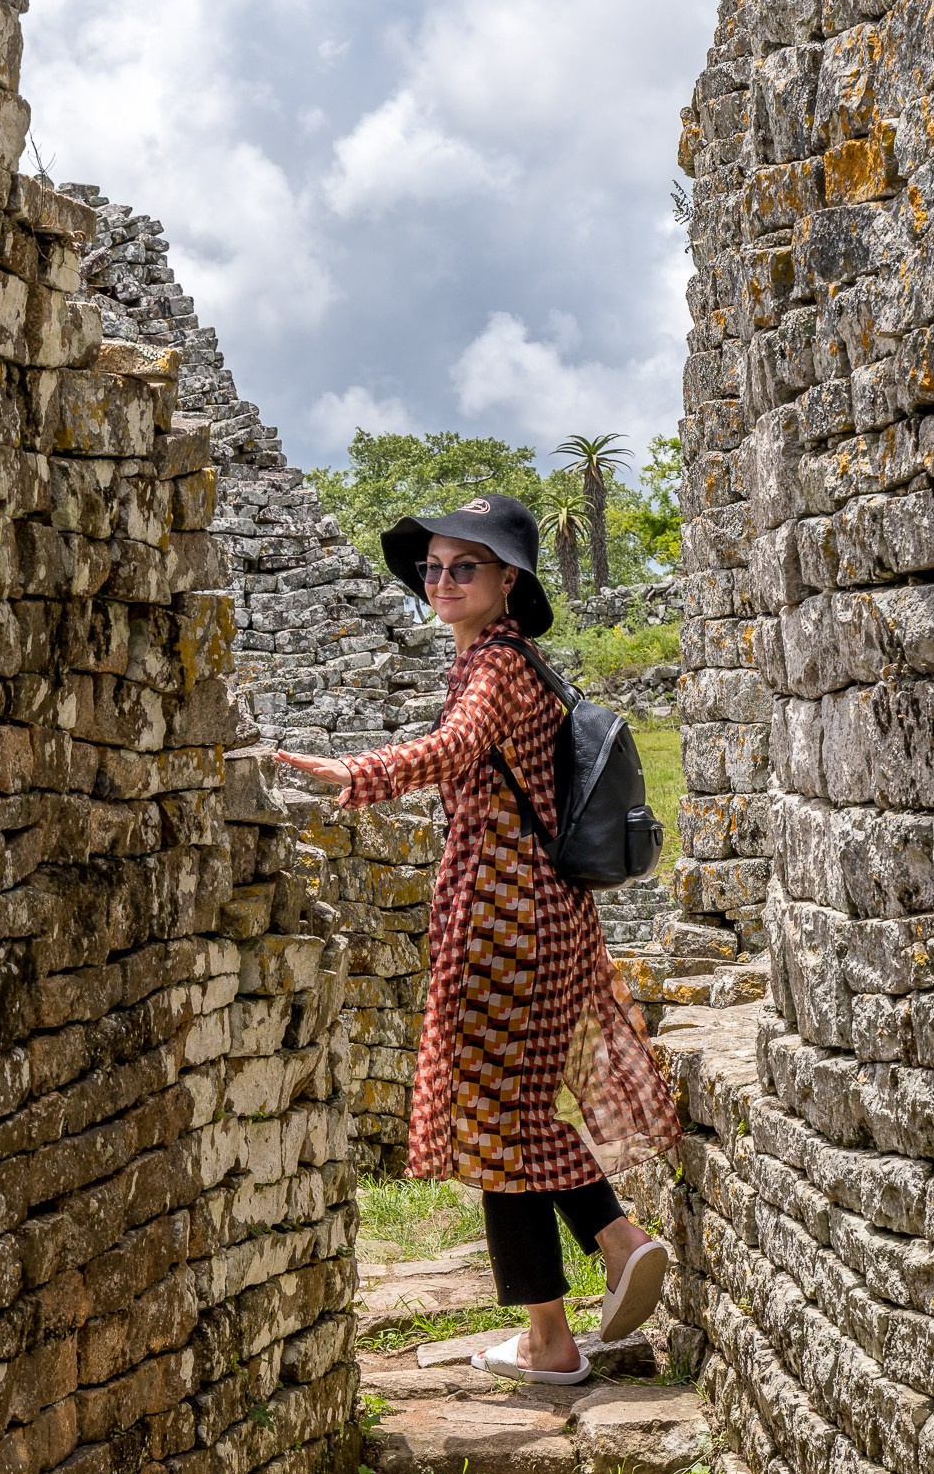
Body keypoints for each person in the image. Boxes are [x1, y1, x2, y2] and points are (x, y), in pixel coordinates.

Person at [276, 492, 679, 1382]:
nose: (443, 580)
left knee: (498, 1121)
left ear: (509, 581)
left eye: (466, 566)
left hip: (504, 922)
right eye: (433, 567)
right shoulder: (518, 664)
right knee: (513, 1116)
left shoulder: (492, 671)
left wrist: (358, 772)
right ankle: (586, 1285)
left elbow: (450, 750)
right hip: (545, 916)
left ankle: (578, 1298)